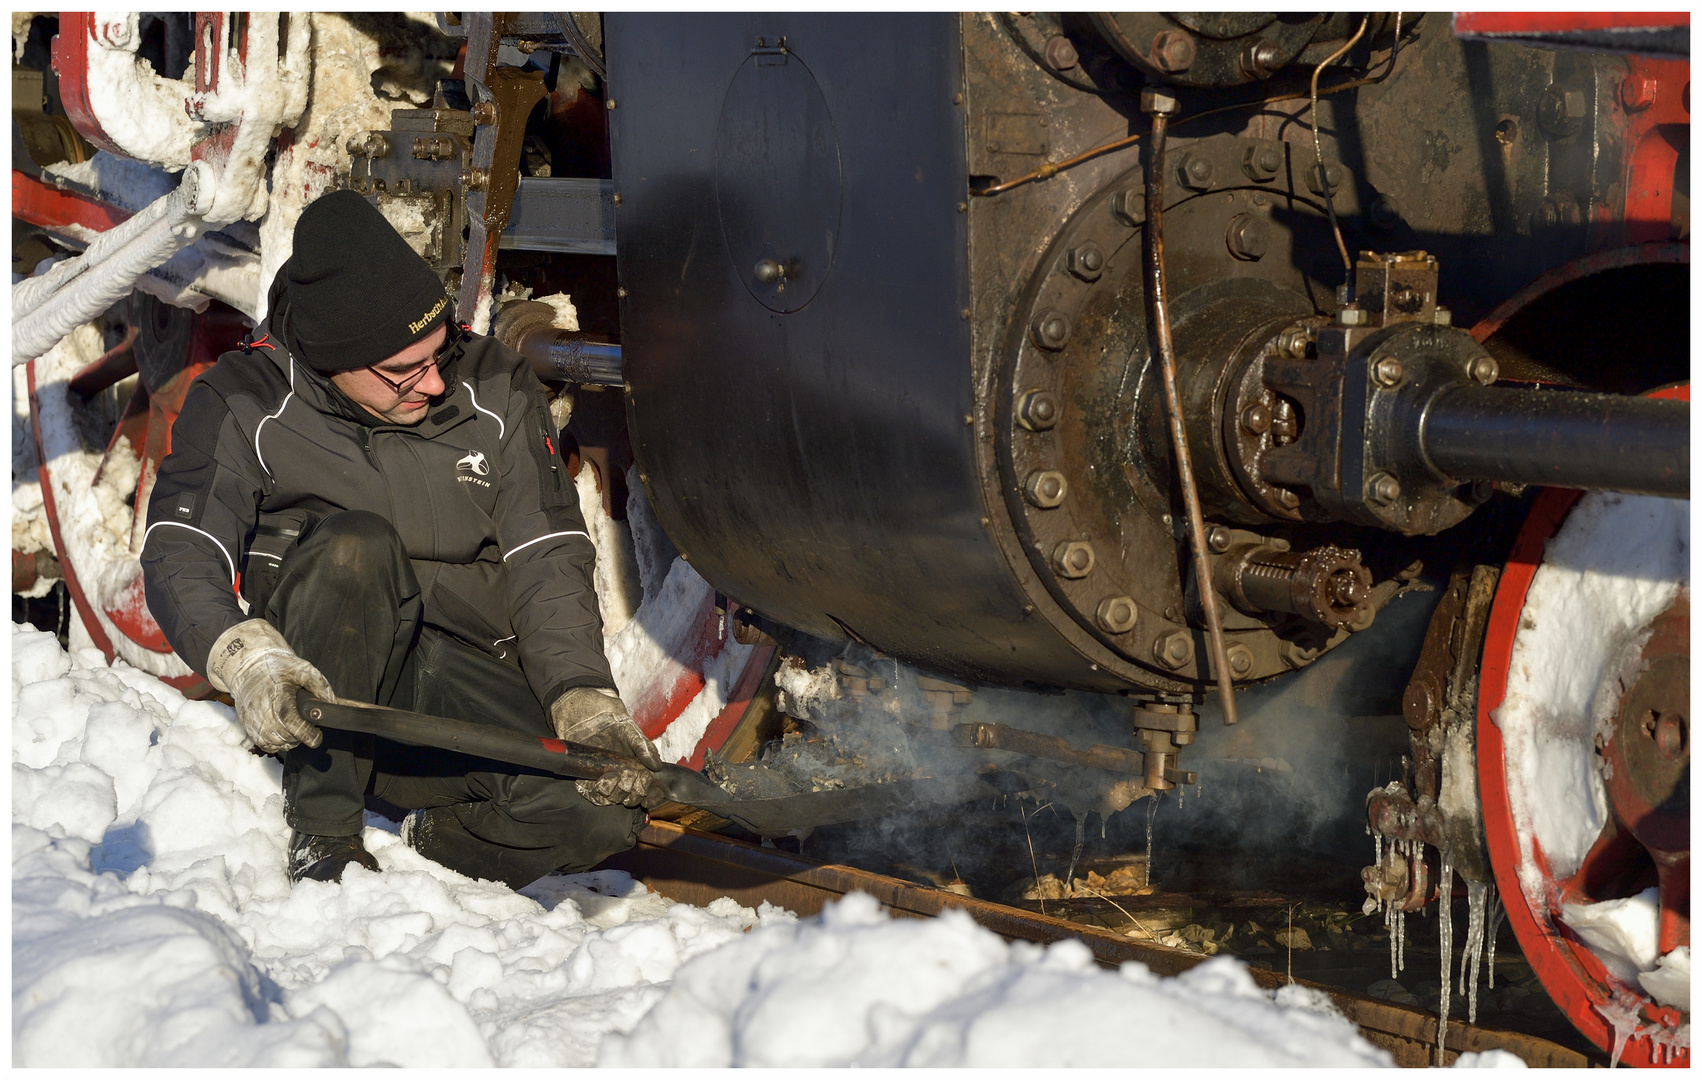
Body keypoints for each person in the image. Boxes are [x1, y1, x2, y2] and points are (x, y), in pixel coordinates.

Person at [140, 190, 661, 887]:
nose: (436, 381)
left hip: (455, 676)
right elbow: (182, 544)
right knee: (355, 548)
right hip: (324, 680)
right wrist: (247, 661)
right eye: (405, 371)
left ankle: (435, 834)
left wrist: (582, 697)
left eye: (439, 352)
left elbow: (547, 553)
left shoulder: (495, 387)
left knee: (601, 814)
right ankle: (323, 835)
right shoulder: (246, 400)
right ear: (331, 358)